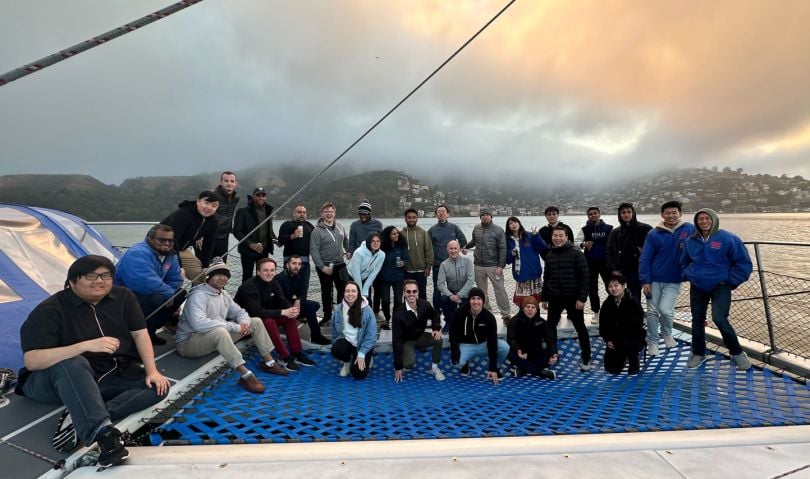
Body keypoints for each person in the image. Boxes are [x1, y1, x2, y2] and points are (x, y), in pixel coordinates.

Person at [17, 255, 169, 467]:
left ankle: (84, 414)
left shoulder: (124, 297)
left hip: (106, 376)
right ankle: (104, 435)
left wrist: (152, 371)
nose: (100, 281)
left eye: (105, 275)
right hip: (52, 380)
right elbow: (32, 361)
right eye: (91, 276)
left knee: (157, 387)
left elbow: (140, 333)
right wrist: (85, 346)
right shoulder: (50, 310)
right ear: (72, 281)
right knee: (74, 362)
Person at [175, 261, 288, 395]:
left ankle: (269, 362)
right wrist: (235, 327)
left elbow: (239, 311)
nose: (223, 278)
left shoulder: (222, 294)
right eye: (218, 275)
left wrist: (244, 324)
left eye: (225, 275)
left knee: (256, 321)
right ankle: (245, 375)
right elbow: (199, 324)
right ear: (208, 277)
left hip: (211, 338)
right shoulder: (198, 296)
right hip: (189, 343)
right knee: (221, 332)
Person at [681, 208, 753, 370]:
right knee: (697, 320)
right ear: (696, 222)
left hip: (721, 285)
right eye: (701, 219)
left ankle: (737, 353)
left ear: (714, 220)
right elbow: (683, 262)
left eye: (707, 218)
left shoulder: (728, 238)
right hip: (698, 286)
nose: (704, 221)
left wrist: (729, 281)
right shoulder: (690, 241)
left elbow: (743, 263)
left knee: (719, 318)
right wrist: (690, 274)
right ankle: (699, 353)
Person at [234, 258, 317, 371]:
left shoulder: (273, 282)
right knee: (269, 321)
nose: (269, 273)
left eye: (272, 270)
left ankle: (297, 353)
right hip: (248, 324)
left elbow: (281, 300)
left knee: (289, 318)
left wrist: (291, 310)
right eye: (265, 270)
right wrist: (283, 312)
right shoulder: (248, 287)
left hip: (264, 317)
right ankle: (284, 357)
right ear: (258, 272)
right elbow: (256, 312)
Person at [114, 224, 186, 345]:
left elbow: (174, 279)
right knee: (156, 298)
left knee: (180, 293)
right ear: (150, 238)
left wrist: (172, 294)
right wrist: (168, 294)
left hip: (151, 292)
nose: (167, 243)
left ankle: (150, 332)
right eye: (162, 240)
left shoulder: (171, 255)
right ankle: (133, 335)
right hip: (123, 295)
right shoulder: (137, 253)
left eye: (171, 240)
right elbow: (144, 281)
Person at [639, 200, 695, 356]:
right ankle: (653, 341)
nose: (671, 215)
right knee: (651, 311)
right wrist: (646, 280)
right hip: (654, 279)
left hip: (674, 279)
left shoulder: (689, 229)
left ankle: (667, 333)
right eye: (668, 213)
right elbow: (645, 258)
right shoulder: (654, 233)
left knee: (666, 310)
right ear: (662, 215)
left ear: (680, 214)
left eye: (674, 212)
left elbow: (702, 243)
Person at [542, 226, 593, 372]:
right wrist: (544, 298)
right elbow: (547, 278)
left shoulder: (577, 254)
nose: (557, 238)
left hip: (573, 298)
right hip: (555, 298)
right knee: (550, 327)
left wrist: (582, 298)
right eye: (555, 235)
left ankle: (586, 356)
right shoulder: (550, 255)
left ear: (566, 237)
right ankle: (553, 353)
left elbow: (585, 278)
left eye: (560, 235)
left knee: (580, 328)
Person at [449, 287, 509, 385]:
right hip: (466, 345)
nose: (476, 302)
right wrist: (455, 351)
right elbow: (453, 334)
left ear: (483, 301)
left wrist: (492, 367)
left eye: (479, 299)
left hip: (483, 345)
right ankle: (466, 363)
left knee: (504, 347)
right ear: (469, 300)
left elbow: (492, 342)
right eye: (473, 298)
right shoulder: (460, 313)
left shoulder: (489, 318)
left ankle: (497, 368)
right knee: (455, 363)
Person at [160, 190, 220, 285]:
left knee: (201, 277)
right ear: (198, 201)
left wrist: (205, 265)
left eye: (214, 205)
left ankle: (198, 298)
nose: (209, 208)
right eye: (206, 203)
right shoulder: (183, 214)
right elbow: (172, 240)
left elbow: (209, 243)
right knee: (175, 276)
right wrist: (179, 266)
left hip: (182, 250)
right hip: (162, 248)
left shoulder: (213, 221)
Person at [392, 280, 445, 382]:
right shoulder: (398, 313)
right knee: (408, 365)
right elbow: (396, 340)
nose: (411, 294)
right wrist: (398, 366)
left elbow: (435, 316)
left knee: (438, 339)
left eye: (414, 291)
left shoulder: (424, 304)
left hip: (420, 336)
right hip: (407, 341)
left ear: (418, 292)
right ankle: (407, 357)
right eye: (408, 291)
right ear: (403, 293)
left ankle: (434, 368)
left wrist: (436, 328)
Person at [464, 208, 510, 321]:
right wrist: (465, 246)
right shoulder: (476, 228)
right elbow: (474, 241)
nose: (484, 217)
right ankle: (486, 312)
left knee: (500, 291)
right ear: (480, 217)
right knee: (481, 292)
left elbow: (503, 249)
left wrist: (501, 266)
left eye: (487, 215)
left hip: (494, 266)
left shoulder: (498, 230)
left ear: (491, 216)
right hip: (478, 265)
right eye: (482, 215)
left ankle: (506, 315)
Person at [275, 255, 330, 345]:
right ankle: (316, 336)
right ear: (287, 265)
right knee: (310, 306)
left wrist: (298, 300)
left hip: (291, 304)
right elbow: (277, 301)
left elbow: (302, 293)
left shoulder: (297, 276)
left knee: (316, 305)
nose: (297, 266)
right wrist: (293, 306)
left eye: (299, 264)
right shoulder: (279, 279)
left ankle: (300, 319)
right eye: (294, 263)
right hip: (281, 310)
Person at [310, 202, 349, 325]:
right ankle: (327, 315)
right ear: (322, 214)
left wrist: (348, 250)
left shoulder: (340, 226)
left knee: (343, 290)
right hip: (326, 265)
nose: (329, 213)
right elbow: (314, 250)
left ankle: (340, 314)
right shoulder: (317, 231)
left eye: (331, 211)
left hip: (341, 264)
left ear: (334, 213)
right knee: (327, 291)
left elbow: (346, 240)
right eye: (326, 211)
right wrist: (321, 267)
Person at [605, 202, 652, 303]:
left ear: (633, 213)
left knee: (635, 297)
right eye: (623, 212)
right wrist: (613, 269)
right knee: (618, 297)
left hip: (638, 270)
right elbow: (609, 252)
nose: (626, 215)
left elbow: (654, 249)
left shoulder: (645, 229)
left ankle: (636, 316)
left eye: (629, 212)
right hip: (620, 270)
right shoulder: (615, 232)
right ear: (620, 215)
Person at [598, 275, 646, 375]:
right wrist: (607, 340)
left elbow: (637, 325)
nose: (613, 289)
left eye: (616, 285)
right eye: (610, 287)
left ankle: (633, 361)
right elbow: (603, 325)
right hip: (614, 338)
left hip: (631, 336)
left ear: (623, 286)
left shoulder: (633, 301)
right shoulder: (607, 304)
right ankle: (622, 357)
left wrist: (618, 340)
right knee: (611, 369)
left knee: (628, 344)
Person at [330, 281, 377, 380]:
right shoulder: (338, 309)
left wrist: (362, 353)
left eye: (353, 291)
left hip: (362, 345)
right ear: (343, 293)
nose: (350, 294)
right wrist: (335, 343)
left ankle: (368, 357)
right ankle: (347, 362)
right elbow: (334, 329)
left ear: (358, 293)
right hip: (347, 341)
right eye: (347, 291)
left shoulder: (367, 311)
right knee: (336, 350)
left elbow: (371, 336)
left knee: (359, 375)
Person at [575, 207, 613, 321]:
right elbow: (575, 242)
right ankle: (596, 312)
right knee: (592, 289)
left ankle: (613, 309)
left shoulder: (609, 228)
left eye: (595, 213)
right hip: (590, 263)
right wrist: (583, 244)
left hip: (606, 263)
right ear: (588, 216)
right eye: (590, 214)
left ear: (599, 214)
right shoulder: (585, 229)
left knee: (611, 287)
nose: (593, 215)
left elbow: (616, 243)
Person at [506, 296, 558, 379]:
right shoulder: (514, 321)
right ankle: (541, 372)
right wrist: (518, 350)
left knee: (554, 357)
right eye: (527, 307)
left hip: (536, 353)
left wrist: (553, 353)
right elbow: (511, 339)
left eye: (533, 307)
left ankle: (524, 369)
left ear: (536, 310)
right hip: (521, 354)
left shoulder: (541, 322)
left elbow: (550, 339)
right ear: (523, 308)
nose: (530, 309)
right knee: (508, 352)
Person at [427, 204, 467, 310]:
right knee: (437, 288)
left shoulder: (454, 227)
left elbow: (463, 241)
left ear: (448, 214)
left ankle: (452, 311)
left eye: (443, 211)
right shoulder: (432, 230)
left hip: (453, 263)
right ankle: (437, 312)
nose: (441, 213)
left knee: (453, 288)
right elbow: (427, 248)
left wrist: (462, 249)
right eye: (439, 211)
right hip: (437, 264)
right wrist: (428, 265)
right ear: (436, 215)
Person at [232, 187, 276, 283]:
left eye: (263, 195)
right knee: (247, 276)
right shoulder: (242, 211)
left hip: (264, 249)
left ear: (266, 197)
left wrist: (276, 240)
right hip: (247, 250)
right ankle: (246, 297)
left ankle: (261, 296)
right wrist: (250, 244)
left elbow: (268, 230)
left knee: (263, 276)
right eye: (258, 195)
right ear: (253, 197)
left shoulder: (269, 211)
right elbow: (236, 231)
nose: (261, 198)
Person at [505, 216, 547, 309]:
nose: (513, 225)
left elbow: (543, 248)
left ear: (519, 223)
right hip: (521, 275)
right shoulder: (507, 240)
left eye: (515, 222)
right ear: (508, 227)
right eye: (510, 224)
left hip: (534, 272)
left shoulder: (530, 235)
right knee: (523, 303)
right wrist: (511, 253)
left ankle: (536, 320)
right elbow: (507, 260)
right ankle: (523, 321)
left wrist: (537, 236)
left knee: (535, 302)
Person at [277, 204, 316, 299]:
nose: (302, 214)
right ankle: (287, 310)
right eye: (299, 212)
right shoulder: (286, 224)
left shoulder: (310, 226)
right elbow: (280, 241)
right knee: (287, 288)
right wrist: (292, 236)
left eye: (304, 212)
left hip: (305, 262)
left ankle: (302, 309)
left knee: (304, 289)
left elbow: (316, 243)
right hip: (289, 261)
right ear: (294, 213)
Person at [436, 240, 475, 334]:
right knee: (442, 298)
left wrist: (460, 295)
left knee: (465, 315)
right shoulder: (444, 265)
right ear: (447, 250)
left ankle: (468, 322)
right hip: (452, 294)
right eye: (451, 248)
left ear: (459, 249)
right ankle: (449, 321)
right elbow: (440, 284)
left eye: (455, 248)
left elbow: (471, 280)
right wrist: (451, 295)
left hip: (465, 294)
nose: (453, 251)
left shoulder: (467, 261)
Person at [378, 225, 409, 329]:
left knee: (398, 301)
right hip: (384, 279)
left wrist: (403, 263)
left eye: (397, 233)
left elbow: (406, 260)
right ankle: (387, 319)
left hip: (398, 278)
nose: (397, 235)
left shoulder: (401, 246)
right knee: (386, 300)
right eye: (394, 234)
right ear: (388, 236)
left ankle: (396, 320)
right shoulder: (381, 248)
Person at [401, 208, 433, 300]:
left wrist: (428, 266)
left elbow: (429, 250)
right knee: (407, 295)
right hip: (406, 270)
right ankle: (408, 313)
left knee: (422, 294)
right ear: (405, 219)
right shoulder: (401, 234)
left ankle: (423, 313)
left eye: (414, 217)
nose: (411, 219)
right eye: (409, 217)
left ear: (417, 218)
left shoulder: (423, 233)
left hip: (421, 270)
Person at [346, 232, 386, 299]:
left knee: (367, 299)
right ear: (368, 242)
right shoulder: (359, 252)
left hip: (365, 278)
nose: (375, 243)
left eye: (378, 241)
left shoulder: (382, 255)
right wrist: (360, 291)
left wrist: (365, 290)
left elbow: (374, 272)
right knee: (352, 298)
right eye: (372, 241)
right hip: (350, 276)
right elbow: (356, 272)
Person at [211, 171, 240, 262]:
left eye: (232, 181)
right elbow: (200, 212)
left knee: (221, 267)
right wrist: (199, 236)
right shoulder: (212, 196)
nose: (229, 183)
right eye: (226, 181)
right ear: (221, 182)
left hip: (224, 237)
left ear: (235, 183)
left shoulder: (235, 198)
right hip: (209, 237)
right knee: (205, 268)